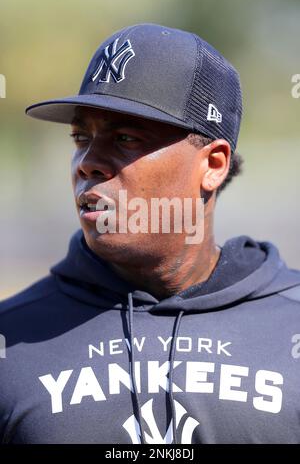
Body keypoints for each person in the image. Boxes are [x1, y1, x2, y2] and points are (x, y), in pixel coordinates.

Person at [0, 23, 300, 445]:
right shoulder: (13, 340)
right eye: (81, 137)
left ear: (212, 164)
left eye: (125, 138)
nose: (87, 163)